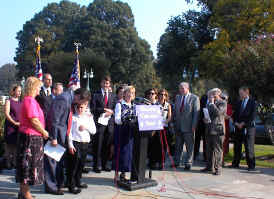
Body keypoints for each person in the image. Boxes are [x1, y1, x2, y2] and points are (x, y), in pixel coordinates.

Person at [44, 87, 91, 195]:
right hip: (56, 135)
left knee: (58, 162)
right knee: (52, 162)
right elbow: (55, 119)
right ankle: (51, 186)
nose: (81, 104)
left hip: (62, 135)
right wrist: (54, 137)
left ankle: (58, 184)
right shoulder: (63, 99)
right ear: (78, 96)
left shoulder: (69, 99)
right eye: (82, 102)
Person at [16, 76, 49, 199]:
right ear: (33, 87)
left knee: (26, 165)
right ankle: (25, 193)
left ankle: (23, 192)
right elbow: (34, 120)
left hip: (31, 136)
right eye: (38, 87)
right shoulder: (29, 100)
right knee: (27, 166)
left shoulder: (30, 100)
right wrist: (44, 132)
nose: (39, 89)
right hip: (30, 138)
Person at [67, 99, 96, 193]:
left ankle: (78, 181)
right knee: (73, 165)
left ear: (85, 108)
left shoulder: (89, 117)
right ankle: (71, 185)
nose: (80, 109)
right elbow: (69, 133)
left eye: (82, 107)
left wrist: (86, 127)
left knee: (81, 165)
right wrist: (70, 145)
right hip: (76, 143)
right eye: (78, 107)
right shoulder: (73, 118)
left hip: (85, 143)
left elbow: (94, 131)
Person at [91, 76, 115, 173]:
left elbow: (115, 108)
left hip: (109, 125)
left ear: (109, 84)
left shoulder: (113, 96)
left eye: (108, 83)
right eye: (104, 83)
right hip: (99, 124)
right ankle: (97, 165)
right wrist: (104, 110)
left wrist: (111, 112)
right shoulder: (95, 95)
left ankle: (105, 164)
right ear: (101, 83)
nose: (106, 85)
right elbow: (93, 109)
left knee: (107, 146)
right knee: (98, 146)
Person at [174, 82, 200, 170]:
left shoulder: (194, 98)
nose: (180, 90)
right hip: (178, 126)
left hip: (189, 127)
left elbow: (196, 114)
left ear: (187, 88)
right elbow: (175, 111)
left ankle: (188, 162)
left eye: (182, 88)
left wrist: (194, 126)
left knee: (189, 146)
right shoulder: (177, 97)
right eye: (179, 88)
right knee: (178, 145)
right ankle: (177, 162)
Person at [201, 88, 227, 175]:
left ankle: (218, 168)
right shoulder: (209, 104)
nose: (211, 96)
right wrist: (205, 119)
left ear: (218, 94)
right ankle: (209, 167)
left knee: (218, 150)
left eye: (213, 95)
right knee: (208, 149)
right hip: (209, 129)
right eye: (210, 95)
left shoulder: (222, 102)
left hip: (218, 129)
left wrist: (212, 103)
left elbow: (218, 113)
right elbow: (209, 115)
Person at [113, 86, 137, 181]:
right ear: (124, 93)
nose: (130, 94)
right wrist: (125, 120)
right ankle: (116, 174)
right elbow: (117, 119)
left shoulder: (134, 105)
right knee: (119, 152)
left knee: (127, 154)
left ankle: (123, 174)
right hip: (121, 131)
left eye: (132, 93)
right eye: (128, 92)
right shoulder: (119, 104)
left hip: (130, 133)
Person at [231, 86, 257, 171]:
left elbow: (252, 116)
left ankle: (251, 166)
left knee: (248, 147)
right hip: (238, 127)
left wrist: (243, 123)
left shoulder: (252, 102)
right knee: (237, 146)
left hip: (249, 128)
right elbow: (234, 115)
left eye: (241, 93)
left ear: (246, 92)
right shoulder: (239, 102)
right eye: (239, 93)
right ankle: (235, 163)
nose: (240, 95)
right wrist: (236, 123)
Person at [3, 84, 22, 169]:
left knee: (16, 145)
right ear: (13, 91)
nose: (20, 93)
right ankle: (8, 163)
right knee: (9, 146)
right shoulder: (9, 101)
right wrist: (14, 122)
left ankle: (14, 162)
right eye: (18, 91)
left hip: (18, 126)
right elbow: (7, 114)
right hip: (10, 126)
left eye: (20, 91)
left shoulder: (20, 102)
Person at [157, 89, 172, 169]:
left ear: (166, 96)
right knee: (157, 145)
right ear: (158, 95)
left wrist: (165, 122)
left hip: (164, 127)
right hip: (156, 128)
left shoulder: (168, 105)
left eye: (164, 95)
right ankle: (156, 161)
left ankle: (162, 162)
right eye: (161, 94)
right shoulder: (155, 104)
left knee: (164, 146)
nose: (162, 96)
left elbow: (169, 117)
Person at [194, 94, 208, 161]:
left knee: (198, 140)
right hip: (202, 122)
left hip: (201, 122)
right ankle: (204, 156)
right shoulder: (205, 101)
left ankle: (196, 154)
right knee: (202, 140)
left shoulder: (201, 100)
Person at [222, 93, 233, 165]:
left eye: (225, 98)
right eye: (222, 98)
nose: (223, 100)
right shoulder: (218, 105)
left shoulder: (228, 106)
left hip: (225, 128)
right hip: (219, 127)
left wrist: (221, 114)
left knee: (224, 145)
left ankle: (222, 160)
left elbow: (228, 116)